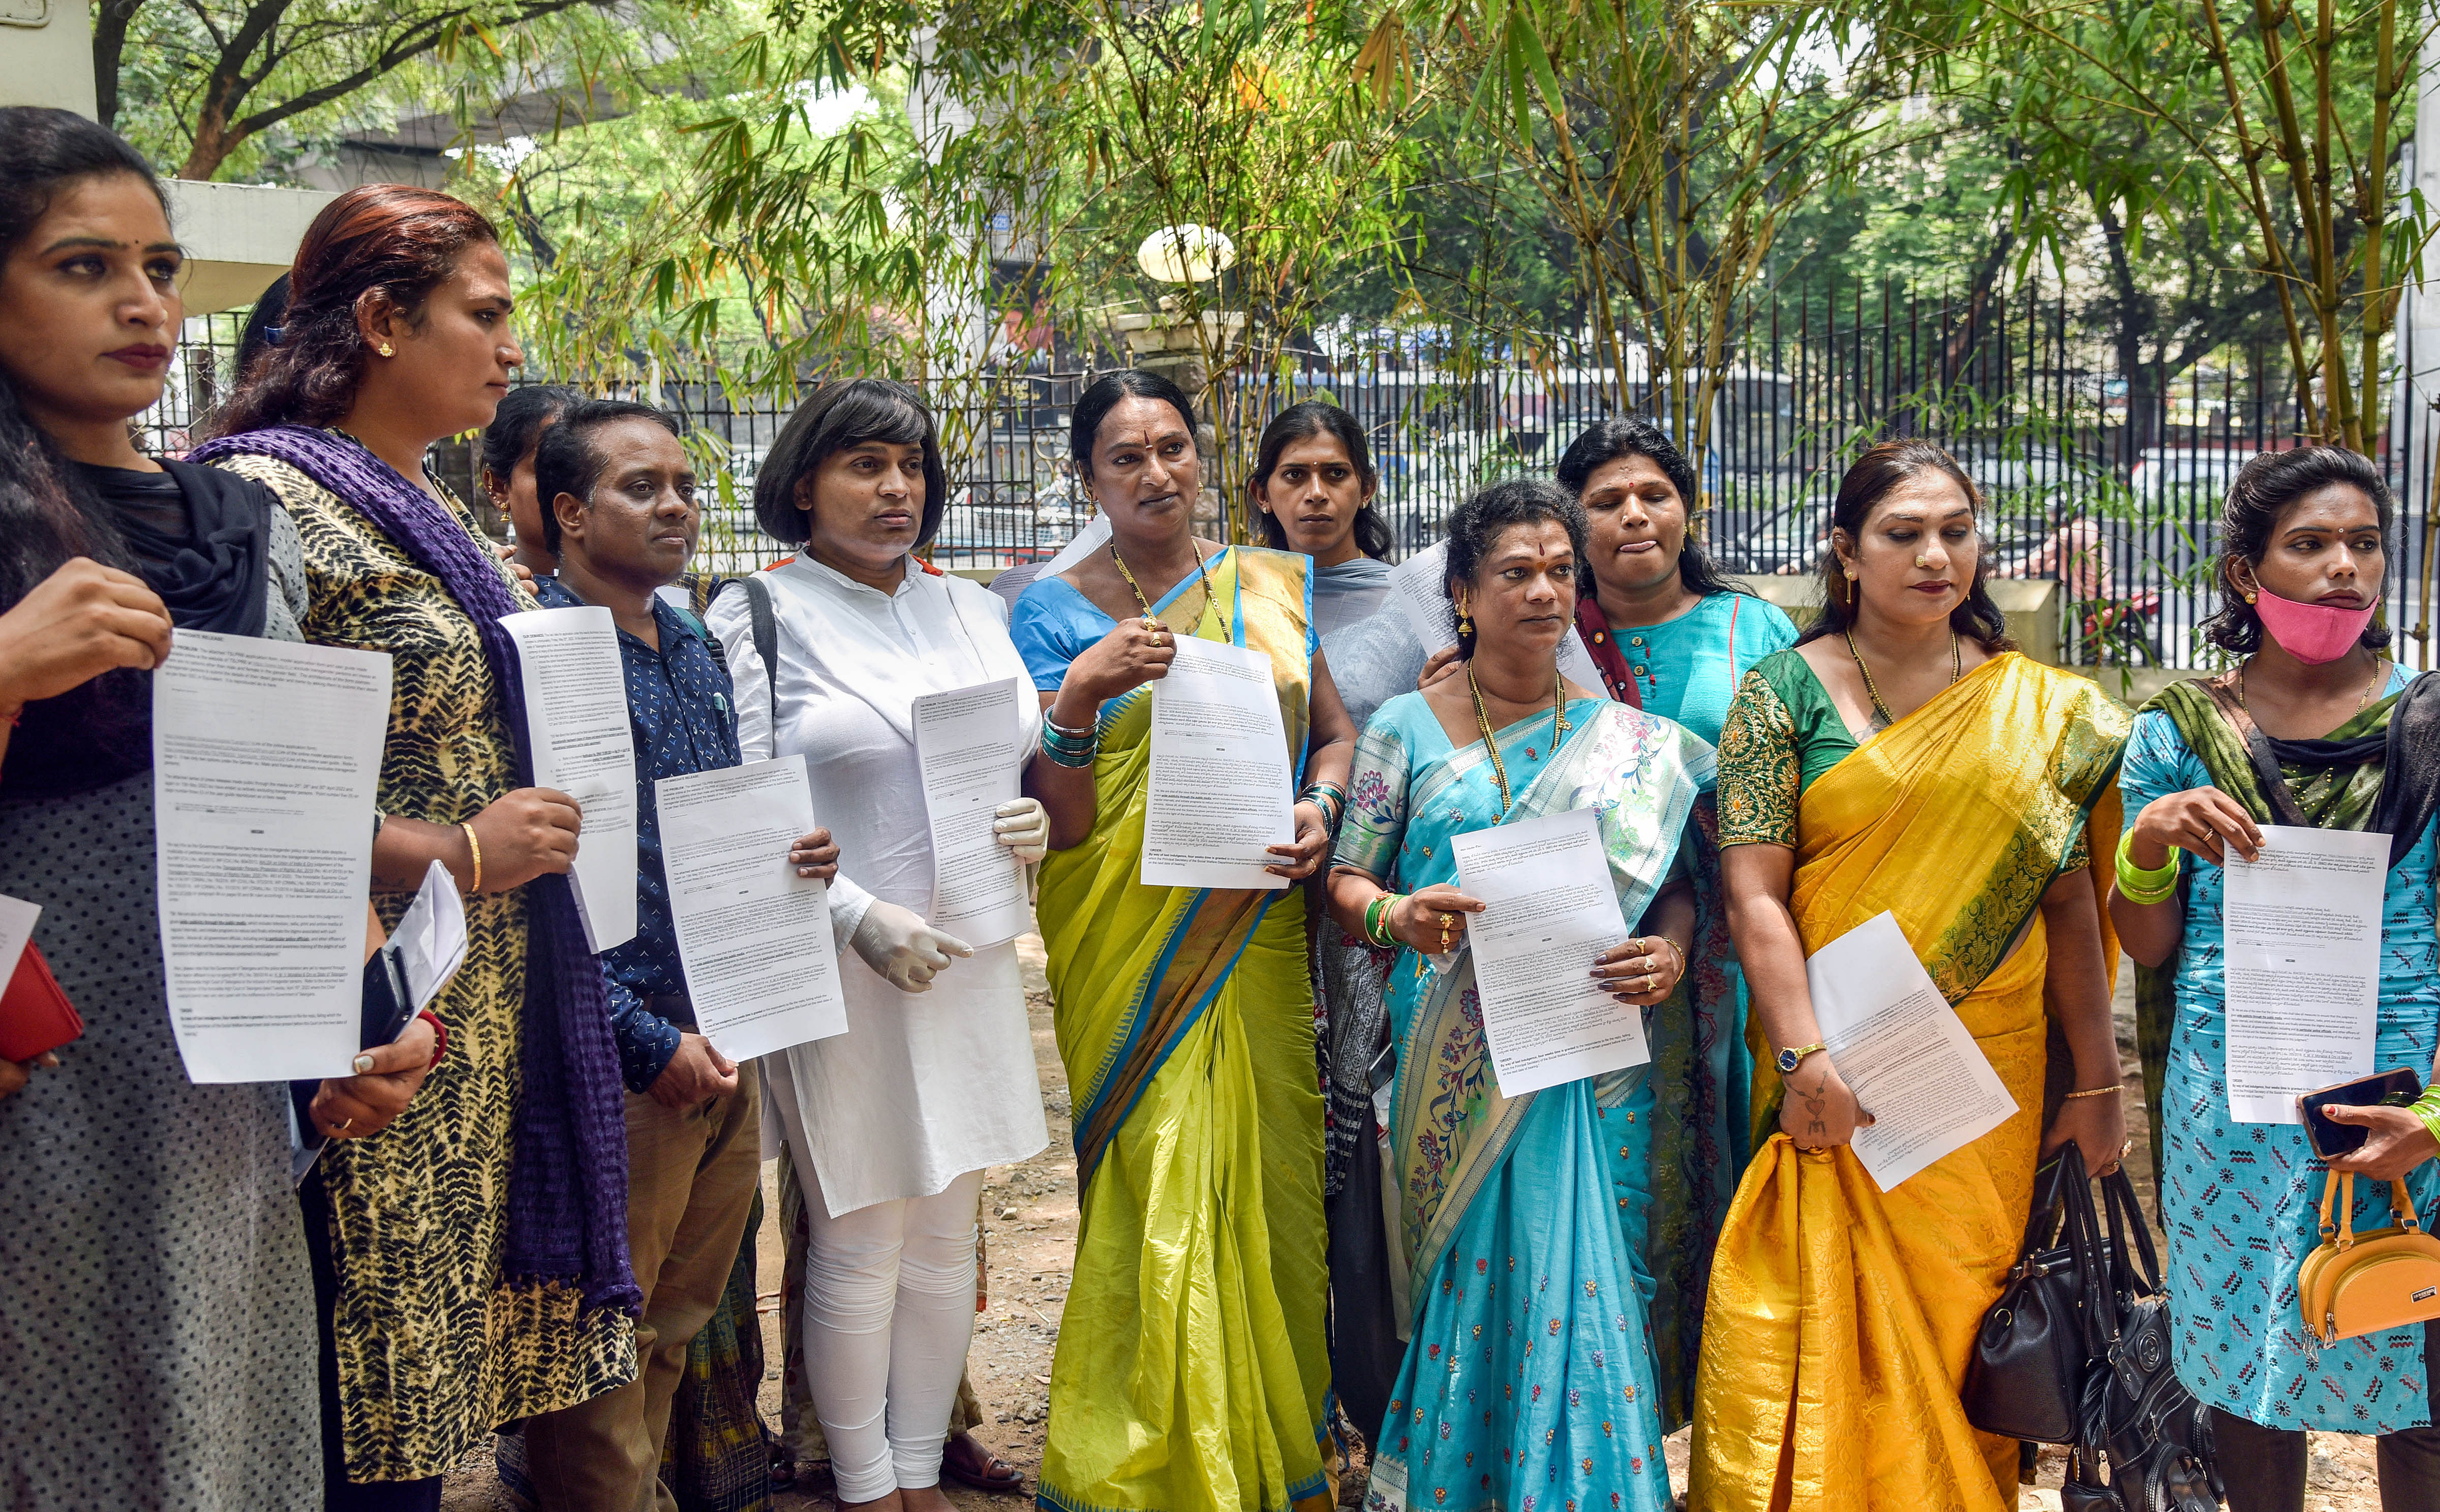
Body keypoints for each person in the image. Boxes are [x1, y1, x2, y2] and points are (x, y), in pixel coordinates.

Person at [193, 183, 637, 1510]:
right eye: (485, 314)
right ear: (384, 319)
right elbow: (223, 777)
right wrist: (459, 847)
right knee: (344, 1406)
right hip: (356, 1016)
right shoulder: (260, 498)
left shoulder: (416, 499)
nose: (513, 350)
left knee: (412, 1417)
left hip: (470, 1014)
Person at [0, 104, 418, 1510]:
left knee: (228, 1443)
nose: (142, 301)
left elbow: (294, 819)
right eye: (81, 265)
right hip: (36, 1089)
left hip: (222, 1095)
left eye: (162, 264)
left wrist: (358, 1024)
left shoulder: (236, 524)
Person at [1690, 439, 2130, 1510]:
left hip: (1988, 1072)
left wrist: (2100, 1080)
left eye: (1957, 530)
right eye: (1902, 532)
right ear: (1845, 550)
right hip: (1837, 1061)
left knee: (1965, 1317)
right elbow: (1756, 896)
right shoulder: (1780, 691)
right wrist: (1802, 1054)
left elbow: (2070, 903)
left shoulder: (2040, 708)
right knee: (1819, 1304)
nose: (1937, 554)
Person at [1326, 478, 1715, 1511]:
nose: (1544, 592)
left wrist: (1667, 956)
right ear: (1462, 589)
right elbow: (1345, 879)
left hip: (1586, 1061)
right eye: (1515, 572)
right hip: (1447, 1056)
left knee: (1583, 1275)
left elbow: (1675, 891)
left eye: (1558, 571)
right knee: (1469, 1273)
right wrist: (1395, 916)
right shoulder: (1404, 727)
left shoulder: (1625, 740)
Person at [1011, 369, 1352, 1512]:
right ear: (1088, 477)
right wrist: (1077, 695)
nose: (1157, 472)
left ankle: (1266, 1449)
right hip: (1130, 943)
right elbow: (1057, 820)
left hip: (1250, 932)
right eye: (1126, 456)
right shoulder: (1050, 609)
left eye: (1173, 447)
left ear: (1203, 459)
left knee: (1264, 1184)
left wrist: (1323, 808)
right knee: (1157, 1177)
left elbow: (1336, 735)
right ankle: (1152, 1461)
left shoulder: (1267, 585)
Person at [709, 377, 1051, 1512]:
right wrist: (856, 912)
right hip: (843, 956)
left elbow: (1010, 757)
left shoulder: (975, 611)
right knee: (861, 1228)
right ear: (802, 482)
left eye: (910, 466)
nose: (895, 487)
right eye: (864, 463)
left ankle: (918, 1469)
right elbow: (742, 805)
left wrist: (1034, 813)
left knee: (953, 1223)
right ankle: (862, 1481)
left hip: (975, 950)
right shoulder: (756, 611)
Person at [508, 397, 840, 1509]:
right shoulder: (535, 659)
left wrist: (790, 855)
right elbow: (536, 887)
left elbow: (706, 829)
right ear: (568, 510)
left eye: (685, 487)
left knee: (675, 1327)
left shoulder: (692, 641)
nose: (676, 507)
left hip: (728, 1033)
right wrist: (645, 1039)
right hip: (624, 1060)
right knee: (600, 1350)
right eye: (640, 486)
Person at [2116, 445, 2440, 1510]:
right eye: (2309, 544)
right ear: (2247, 571)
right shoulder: (2180, 731)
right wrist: (2150, 839)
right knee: (2247, 1377)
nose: (2344, 566)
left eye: (2363, 543)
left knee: (2418, 1365)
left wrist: (2435, 1110)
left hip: (2408, 1095)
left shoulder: (2430, 727)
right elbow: (2148, 942)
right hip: (2237, 1103)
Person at [1246, 399, 1394, 645]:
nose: (1316, 494)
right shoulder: (1241, 599)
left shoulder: (1406, 605)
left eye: (1336, 474)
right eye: (1295, 475)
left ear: (1367, 490)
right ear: (1262, 495)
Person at [484, 383, 577, 577]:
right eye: (552, 468)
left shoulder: (645, 586)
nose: (579, 485)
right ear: (499, 487)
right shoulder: (479, 591)